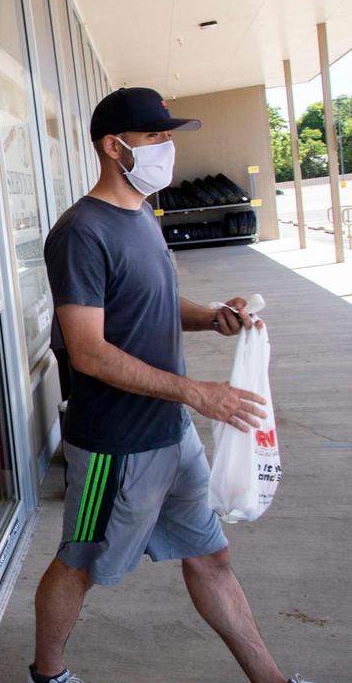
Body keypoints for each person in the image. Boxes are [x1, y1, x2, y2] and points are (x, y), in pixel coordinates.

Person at [31, 87, 313, 683]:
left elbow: (149, 303)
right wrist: (197, 392)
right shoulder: (81, 232)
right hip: (114, 446)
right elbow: (88, 351)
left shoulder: (141, 218)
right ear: (115, 147)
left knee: (211, 556)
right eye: (155, 136)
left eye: (168, 136)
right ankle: (48, 674)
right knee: (79, 562)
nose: (168, 147)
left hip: (170, 433)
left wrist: (210, 316)